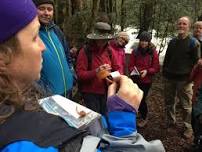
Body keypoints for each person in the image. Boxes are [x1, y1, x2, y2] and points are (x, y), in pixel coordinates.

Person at [162, 16, 201, 139]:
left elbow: (197, 63)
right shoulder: (172, 41)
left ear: (188, 27)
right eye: (179, 24)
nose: (181, 26)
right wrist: (165, 72)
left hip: (185, 80)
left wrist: (191, 78)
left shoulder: (193, 43)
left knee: (186, 106)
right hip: (169, 77)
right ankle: (170, 122)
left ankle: (188, 127)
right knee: (169, 102)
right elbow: (167, 59)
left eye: (184, 24)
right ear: (176, 25)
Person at [76, 22, 120, 115]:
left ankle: (104, 130)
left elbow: (118, 69)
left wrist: (112, 77)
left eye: (105, 39)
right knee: (95, 119)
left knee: (106, 116)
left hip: (107, 91)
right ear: (94, 39)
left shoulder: (109, 50)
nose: (103, 41)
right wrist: (96, 71)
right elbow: (80, 75)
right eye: (100, 39)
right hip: (90, 93)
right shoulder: (85, 52)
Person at [33, 0, 74, 98]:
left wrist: (72, 75)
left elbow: (67, 56)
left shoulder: (56, 30)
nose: (46, 13)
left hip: (68, 90)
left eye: (49, 9)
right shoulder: (32, 33)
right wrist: (43, 91)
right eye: (42, 9)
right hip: (49, 96)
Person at [128, 31, 160, 127]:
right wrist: (134, 70)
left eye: (145, 41)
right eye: (142, 41)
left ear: (149, 42)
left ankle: (144, 117)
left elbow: (156, 67)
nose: (143, 43)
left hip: (146, 81)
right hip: (135, 78)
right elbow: (130, 65)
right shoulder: (135, 51)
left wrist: (147, 71)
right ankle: (137, 113)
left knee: (141, 99)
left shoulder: (153, 53)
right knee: (134, 98)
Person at [190, 21, 202, 150]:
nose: (198, 29)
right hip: (197, 84)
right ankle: (196, 140)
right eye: (196, 27)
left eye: (201, 28)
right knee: (195, 116)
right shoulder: (191, 42)